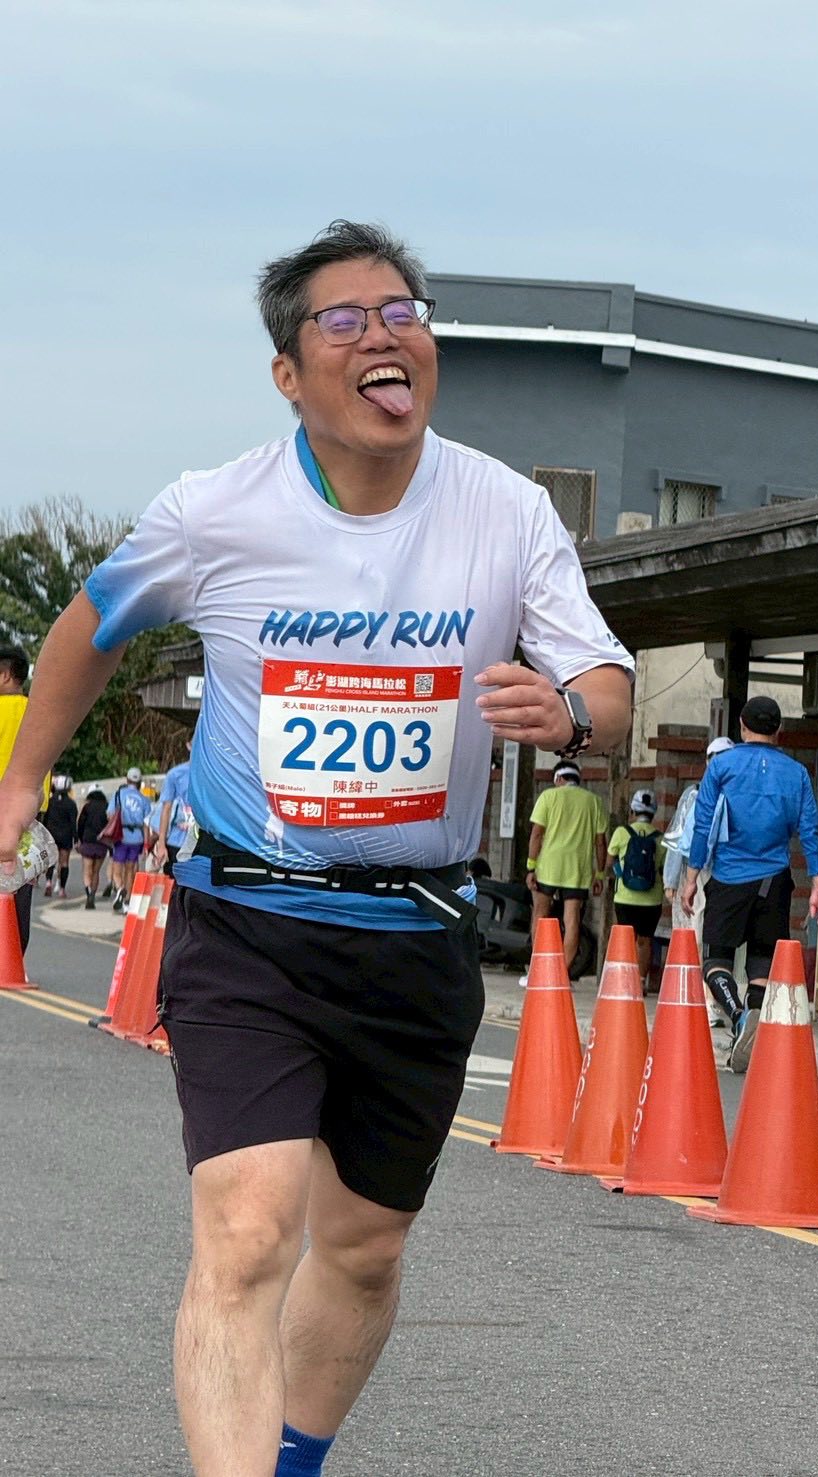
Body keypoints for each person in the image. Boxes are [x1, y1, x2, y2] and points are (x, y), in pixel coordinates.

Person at [0, 219, 633, 1477]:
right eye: (345, 320)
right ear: (289, 373)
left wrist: (567, 713)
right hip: (250, 921)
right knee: (247, 1234)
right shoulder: (216, 512)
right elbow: (91, 625)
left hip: (417, 933)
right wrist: (22, 780)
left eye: (403, 312)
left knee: (363, 1250)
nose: (383, 335)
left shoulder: (505, 511)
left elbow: (608, 688)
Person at [681, 696, 818, 1073]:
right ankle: (750, 1023)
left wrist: (691, 877)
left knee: (716, 960)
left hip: (728, 878)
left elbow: (702, 824)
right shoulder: (796, 773)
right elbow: (810, 831)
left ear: (742, 726)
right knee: (762, 962)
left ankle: (737, 1017)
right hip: (774, 880)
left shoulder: (722, 766)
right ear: (779, 730)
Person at [663, 735, 735, 1024]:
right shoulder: (693, 795)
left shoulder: (737, 795)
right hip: (696, 874)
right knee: (695, 936)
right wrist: (670, 881)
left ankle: (712, 1000)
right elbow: (678, 841)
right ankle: (701, 1000)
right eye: (715, 759)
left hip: (726, 875)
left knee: (715, 939)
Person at [526, 760, 609, 976]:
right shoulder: (594, 801)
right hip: (578, 870)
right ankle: (561, 974)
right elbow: (601, 842)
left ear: (559, 778)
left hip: (548, 867)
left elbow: (537, 834)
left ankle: (539, 971)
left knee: (540, 915)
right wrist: (599, 873)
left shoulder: (548, 797)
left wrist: (531, 866)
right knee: (572, 920)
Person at [0, 646, 49, 952]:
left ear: (5, 675)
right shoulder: (39, 713)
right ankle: (12, 960)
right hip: (30, 818)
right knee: (19, 892)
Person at [606, 788, 666, 990]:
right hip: (652, 899)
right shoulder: (660, 838)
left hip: (625, 897)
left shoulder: (621, 833)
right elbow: (663, 869)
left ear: (632, 811)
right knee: (645, 941)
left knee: (626, 939)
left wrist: (620, 874)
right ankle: (640, 983)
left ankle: (623, 981)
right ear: (653, 813)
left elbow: (609, 862)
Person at [108, 766, 153, 911]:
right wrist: (146, 844)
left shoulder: (118, 795)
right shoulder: (144, 800)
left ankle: (120, 888)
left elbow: (110, 815)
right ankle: (127, 902)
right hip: (137, 838)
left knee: (117, 869)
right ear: (139, 782)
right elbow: (147, 824)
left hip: (121, 836)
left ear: (127, 780)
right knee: (130, 869)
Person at [154, 736, 193, 873]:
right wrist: (161, 845)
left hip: (202, 846)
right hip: (177, 842)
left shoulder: (214, 773)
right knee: (174, 883)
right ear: (188, 745)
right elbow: (166, 809)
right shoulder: (175, 775)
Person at [41, 774, 78, 897]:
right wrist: (76, 839)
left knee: (51, 861)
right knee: (64, 862)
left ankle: (48, 882)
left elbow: (45, 819)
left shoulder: (50, 802)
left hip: (52, 834)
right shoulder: (71, 804)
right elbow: (73, 823)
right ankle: (62, 889)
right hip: (66, 836)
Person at [75, 787, 111, 908]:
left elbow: (80, 824)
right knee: (96, 872)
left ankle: (88, 894)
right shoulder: (107, 807)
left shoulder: (87, 807)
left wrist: (79, 839)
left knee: (87, 871)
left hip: (88, 841)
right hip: (102, 843)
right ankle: (93, 895)